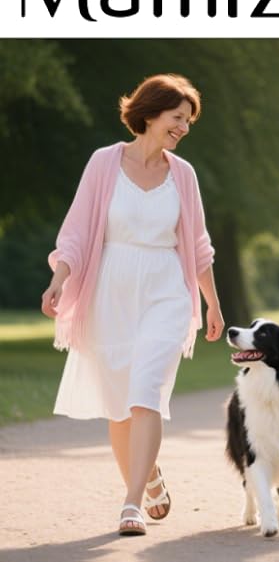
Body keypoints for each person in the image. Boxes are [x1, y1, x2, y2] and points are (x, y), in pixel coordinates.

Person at [39, 74, 223, 537]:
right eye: (177, 118)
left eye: (188, 122)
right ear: (151, 113)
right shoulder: (104, 163)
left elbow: (198, 246)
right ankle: (150, 475)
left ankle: (131, 503)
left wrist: (213, 305)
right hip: (111, 294)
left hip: (166, 292)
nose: (183, 128)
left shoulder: (183, 175)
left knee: (146, 392)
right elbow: (79, 231)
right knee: (120, 406)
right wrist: (59, 280)